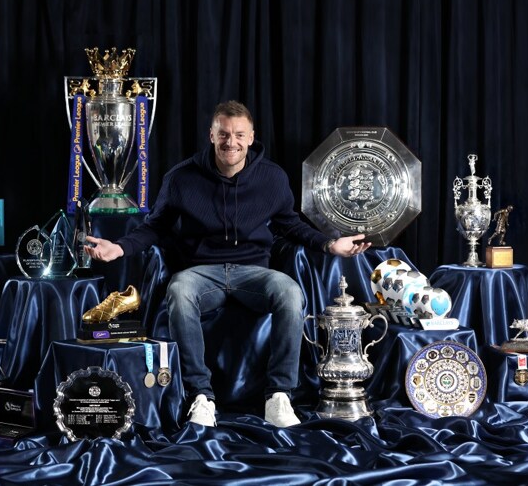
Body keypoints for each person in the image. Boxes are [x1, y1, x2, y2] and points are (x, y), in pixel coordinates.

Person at [85, 100, 371, 427]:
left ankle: (278, 395)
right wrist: (119, 248)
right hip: (200, 272)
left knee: (290, 293)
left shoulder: (272, 178)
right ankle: (201, 396)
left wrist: (329, 244)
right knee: (179, 291)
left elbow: (291, 225)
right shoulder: (181, 177)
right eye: (223, 134)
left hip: (254, 273)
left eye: (239, 135)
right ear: (211, 135)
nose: (230, 142)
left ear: (251, 138)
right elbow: (155, 226)